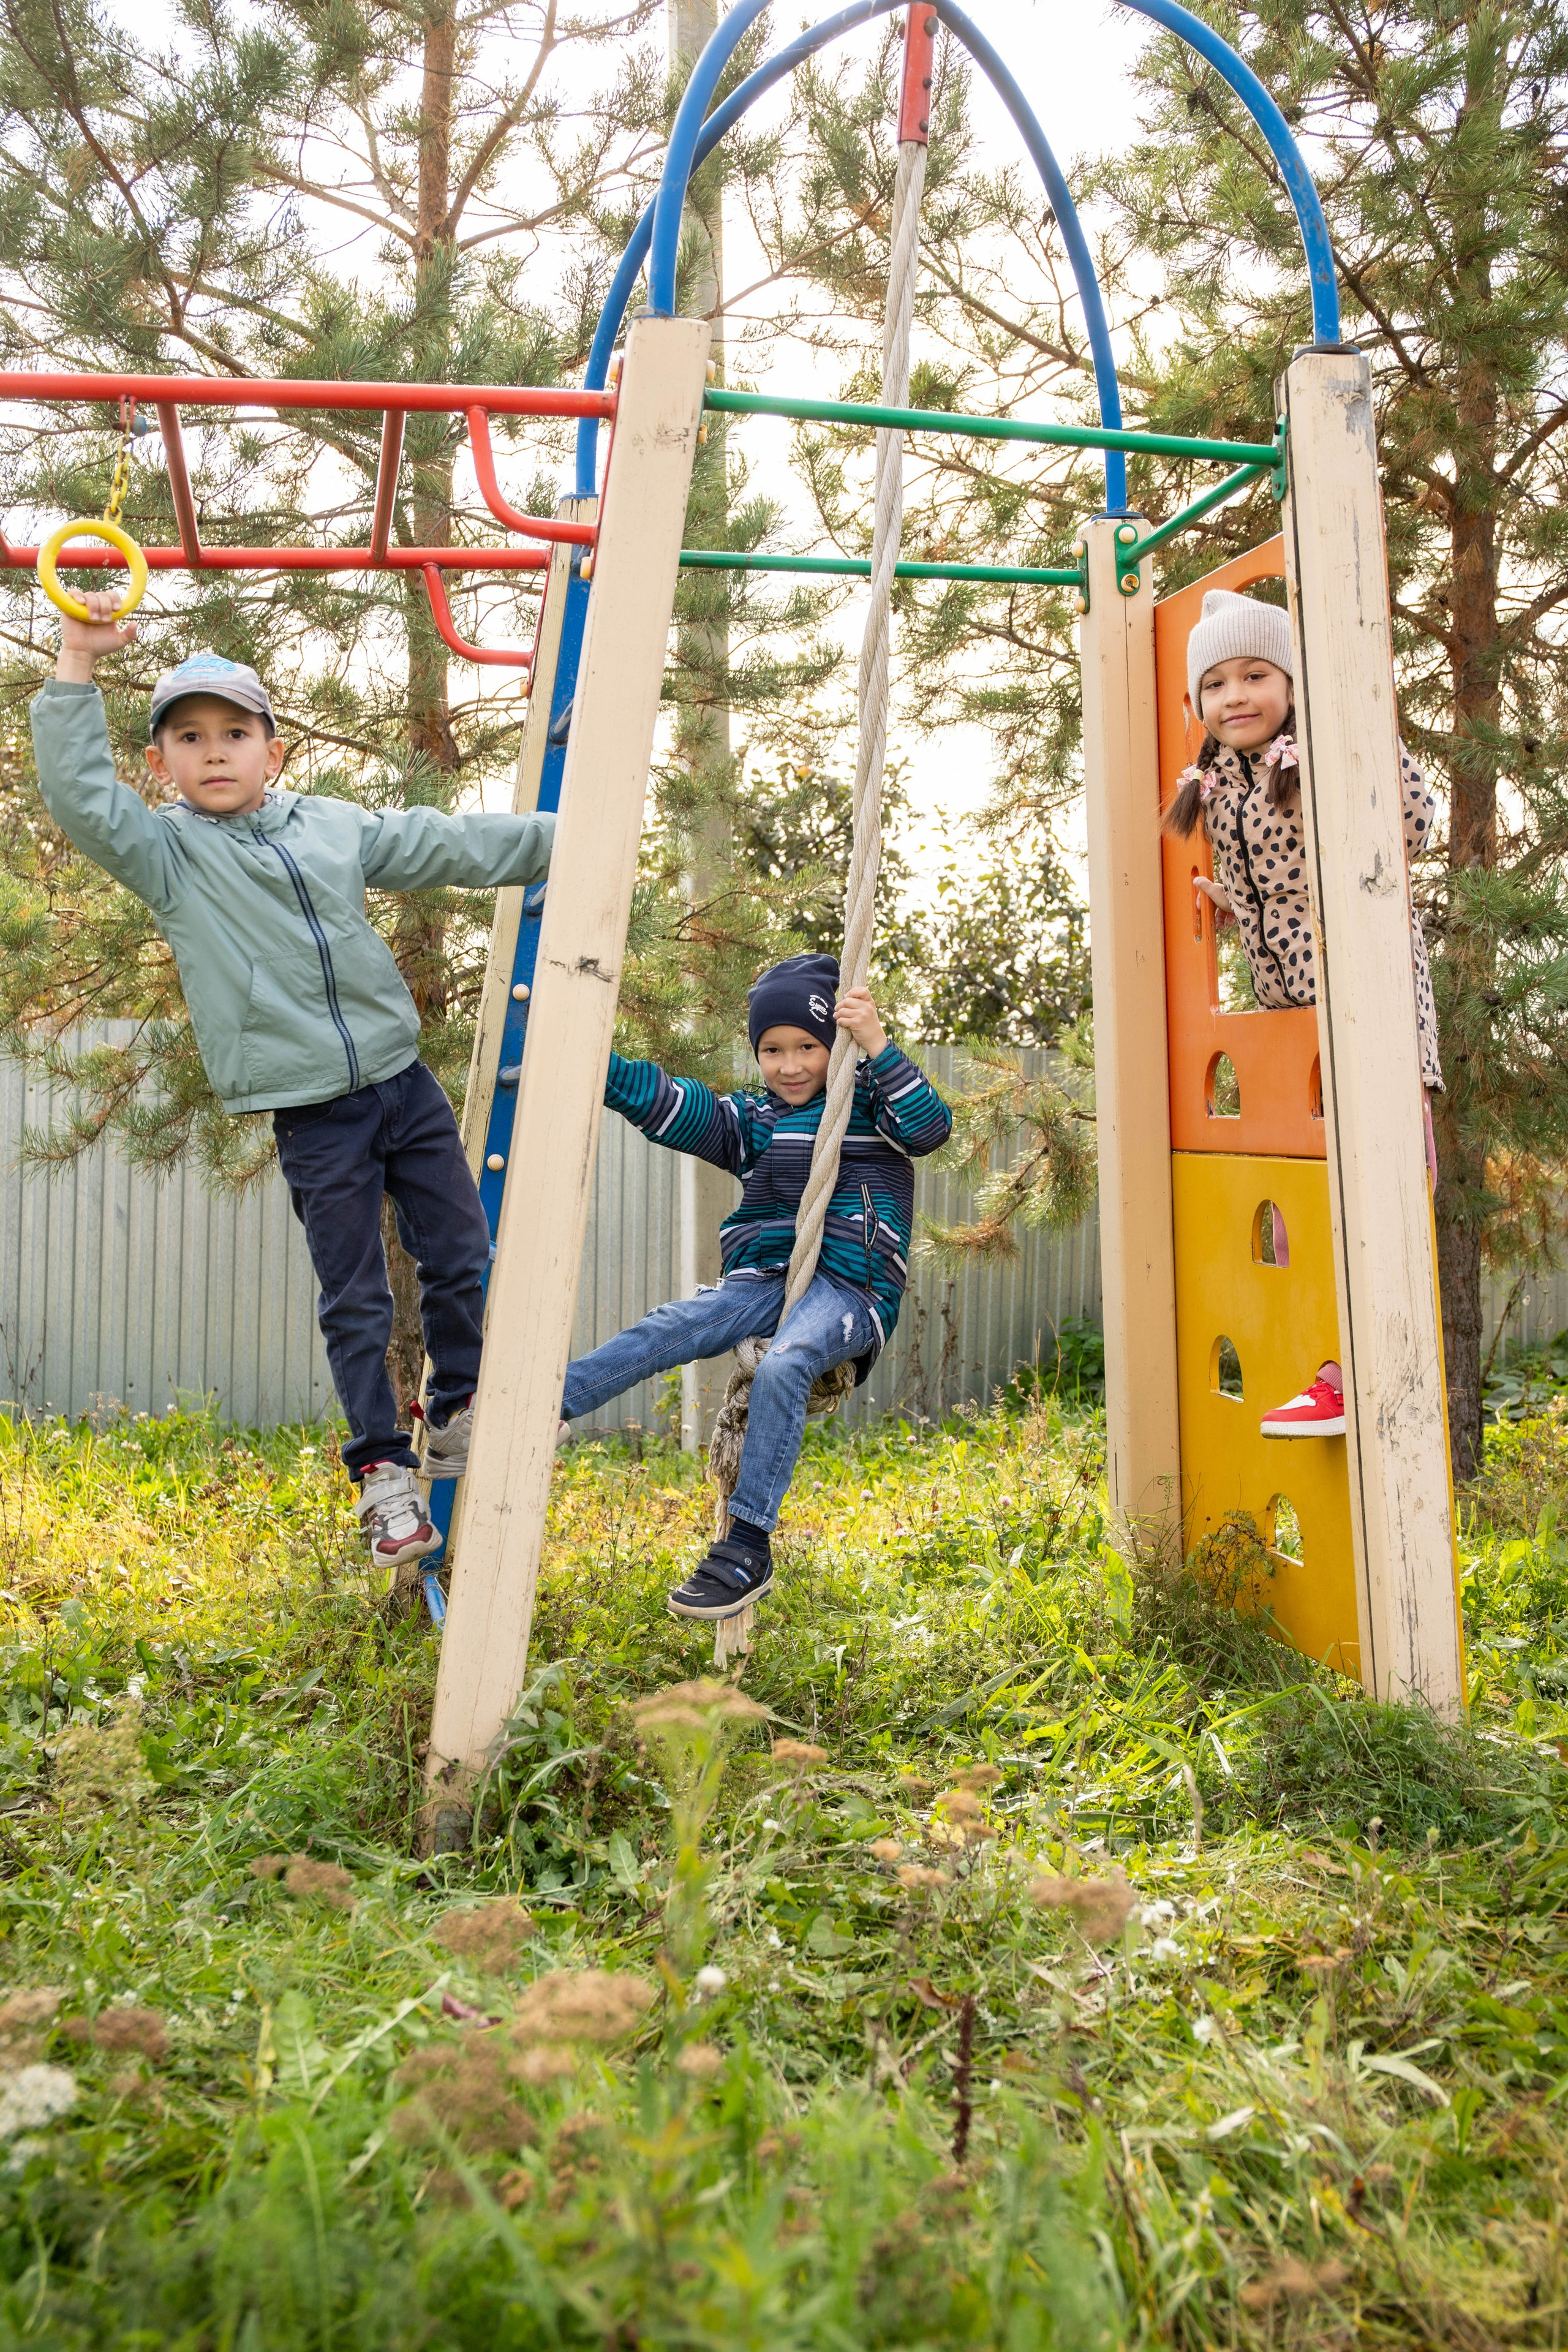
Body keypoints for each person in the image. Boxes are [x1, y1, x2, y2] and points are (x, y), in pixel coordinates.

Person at [30, 591, 556, 1572]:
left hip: (401, 1082)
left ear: (276, 752)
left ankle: (457, 1405)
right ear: (164, 764)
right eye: (190, 738)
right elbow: (80, 798)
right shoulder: (170, 856)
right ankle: (382, 1473)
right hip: (314, 1111)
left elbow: (444, 843)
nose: (215, 752)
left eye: (236, 733)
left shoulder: (331, 827)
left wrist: (567, 838)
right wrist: (76, 659)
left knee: (461, 1249)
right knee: (353, 1296)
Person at [559, 952, 952, 1621]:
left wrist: (880, 1044)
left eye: (808, 1046)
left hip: (850, 1291)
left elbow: (930, 1129)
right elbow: (675, 1106)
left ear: (838, 1046)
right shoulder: (755, 1122)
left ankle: (747, 1544)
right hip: (767, 1278)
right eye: (772, 1049)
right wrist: (595, 1062)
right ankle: (548, 1405)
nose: (790, 1064)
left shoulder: (872, 1110)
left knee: (785, 1363)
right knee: (669, 1328)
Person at [1163, 588, 1444, 1441]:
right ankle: (1328, 1369)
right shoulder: (1214, 786)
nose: (1236, 696)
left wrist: (1359, 726)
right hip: (1292, 1034)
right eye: (1216, 683)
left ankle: (1359, 1369)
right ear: (1196, 705)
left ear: (1293, 684)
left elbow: (1416, 823)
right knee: (1297, 1211)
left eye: (1256, 674)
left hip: (1368, 1013)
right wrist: (1233, 906)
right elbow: (1273, 892)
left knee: (1378, 1195)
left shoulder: (1316, 755)